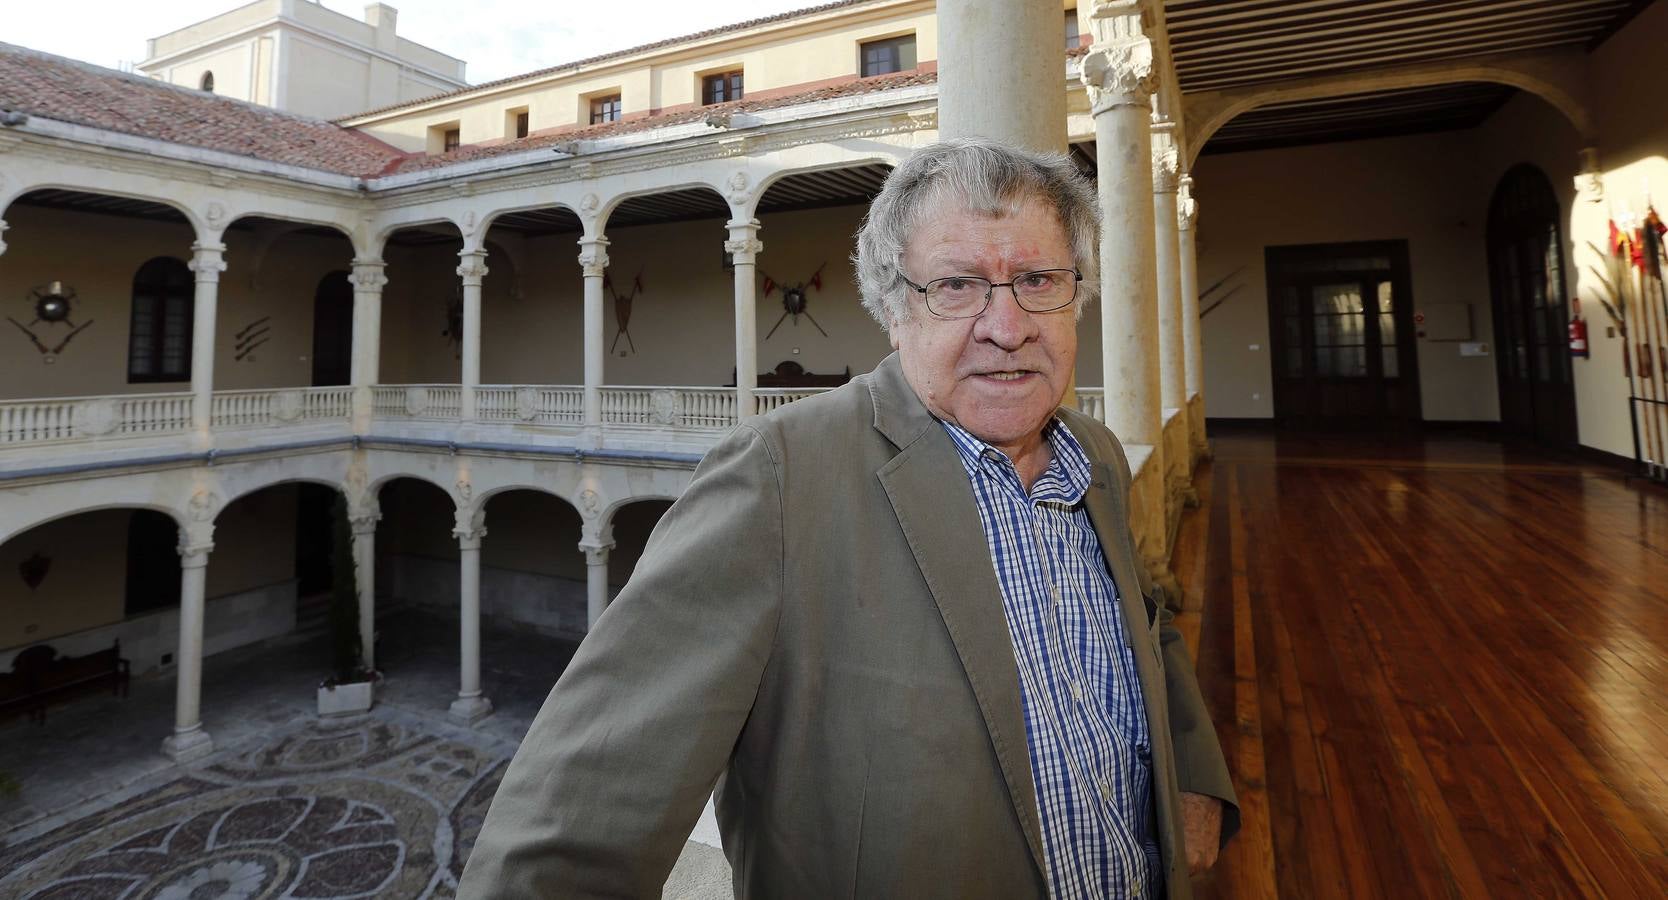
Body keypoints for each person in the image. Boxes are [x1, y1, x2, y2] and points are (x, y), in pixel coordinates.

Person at [458, 138, 1238, 899]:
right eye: (957, 286)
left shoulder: (1094, 454)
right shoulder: (777, 480)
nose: (1008, 325)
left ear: (1077, 296)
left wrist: (1192, 774)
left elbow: (1149, 622)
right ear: (894, 313)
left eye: (1037, 279)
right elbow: (574, 824)